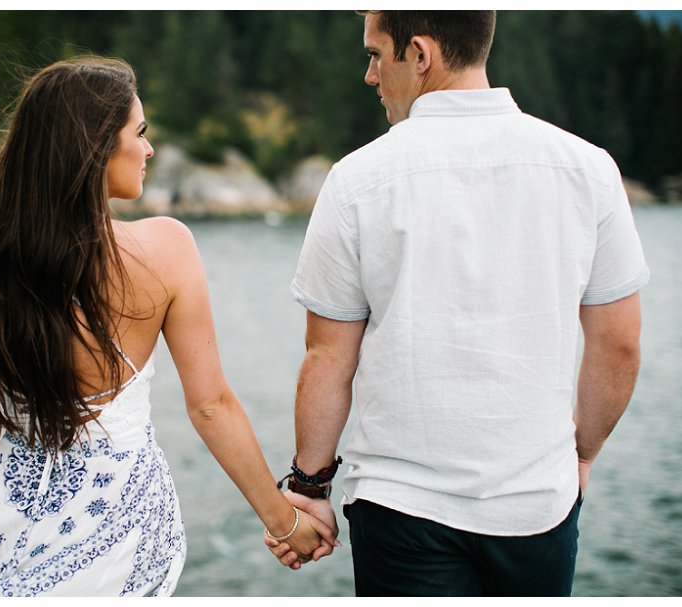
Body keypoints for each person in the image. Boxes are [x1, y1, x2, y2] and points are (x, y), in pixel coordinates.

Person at [0, 55, 335, 597]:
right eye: (140, 133)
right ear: (96, 147)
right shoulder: (166, 250)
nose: (148, 149)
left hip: (3, 520)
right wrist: (285, 522)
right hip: (119, 527)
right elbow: (211, 406)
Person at [266, 11, 649, 597]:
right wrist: (581, 460)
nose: (370, 75)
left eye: (375, 54)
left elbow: (327, 359)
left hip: (401, 508)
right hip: (537, 509)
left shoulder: (357, 180)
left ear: (420, 54)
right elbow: (618, 346)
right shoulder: (590, 170)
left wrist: (308, 488)